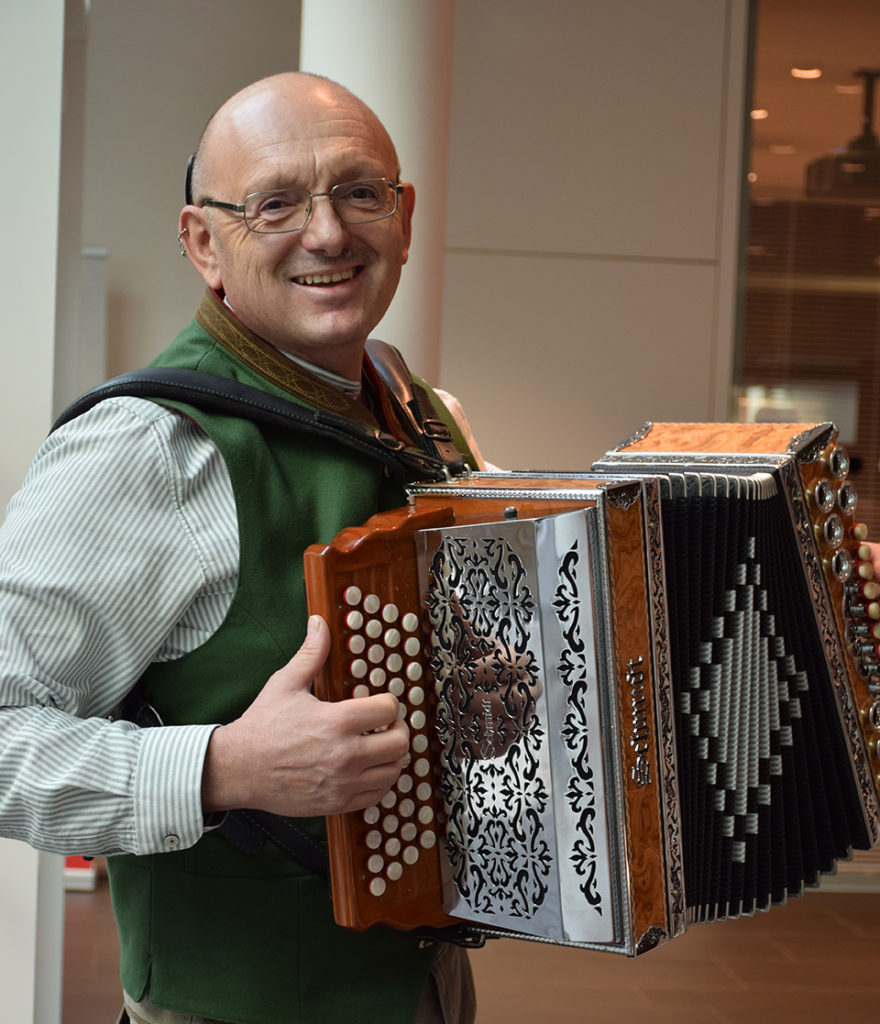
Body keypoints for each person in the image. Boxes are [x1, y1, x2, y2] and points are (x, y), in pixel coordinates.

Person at [0, 72, 481, 1024]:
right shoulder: (147, 447)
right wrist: (225, 768)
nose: (329, 233)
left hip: (427, 983)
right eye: (274, 205)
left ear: (406, 215)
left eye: (360, 192)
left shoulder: (417, 406)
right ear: (202, 243)